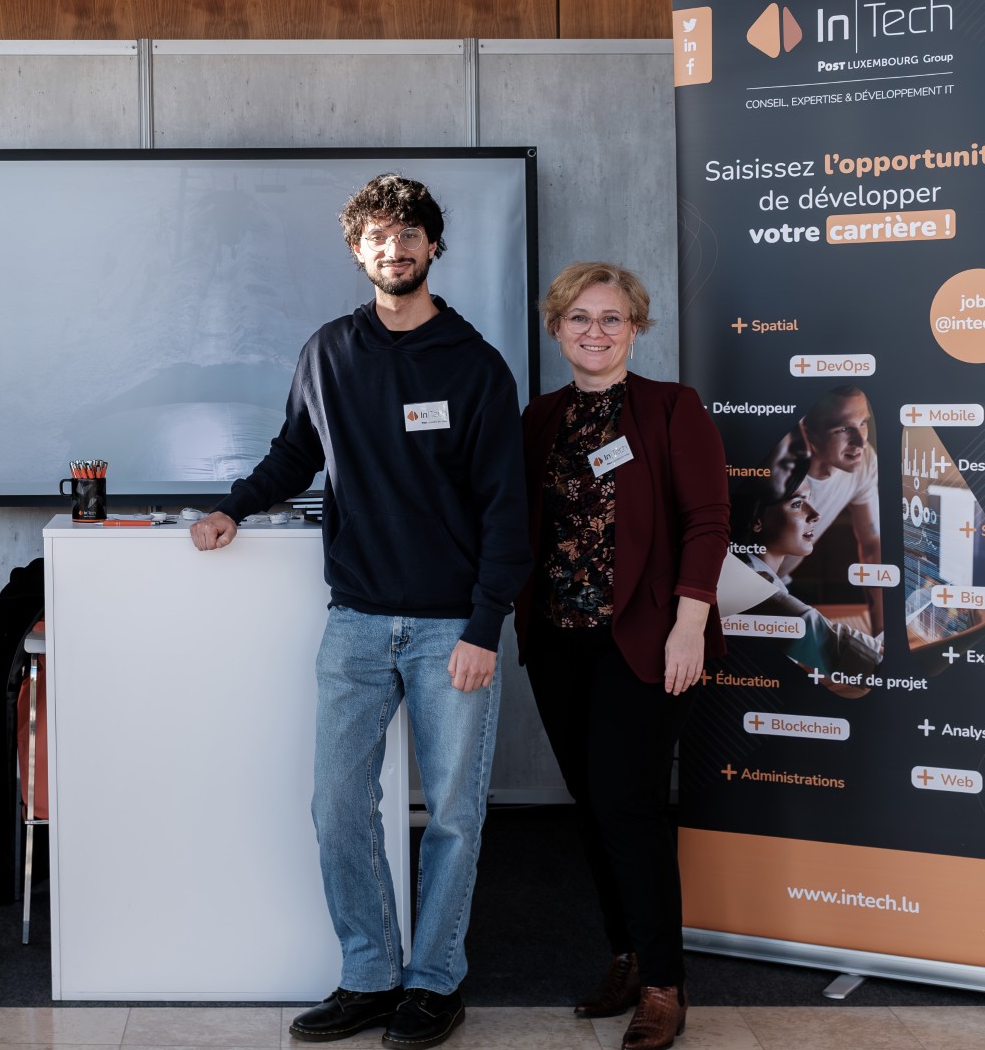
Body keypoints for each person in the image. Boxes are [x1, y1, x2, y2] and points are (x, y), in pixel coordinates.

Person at [190, 174, 531, 1049]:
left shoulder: (476, 365)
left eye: (410, 233)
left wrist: (485, 625)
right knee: (337, 806)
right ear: (357, 250)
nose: (396, 248)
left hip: (452, 627)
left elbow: (507, 508)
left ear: (433, 246)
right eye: (379, 235)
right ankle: (372, 975)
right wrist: (233, 506)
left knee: (452, 815)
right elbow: (294, 453)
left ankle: (435, 981)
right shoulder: (329, 352)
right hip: (355, 623)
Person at [514, 262, 728, 1050]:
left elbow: (708, 521)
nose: (595, 332)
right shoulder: (539, 418)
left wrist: (689, 624)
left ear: (635, 328)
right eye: (579, 318)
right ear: (556, 329)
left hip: (646, 640)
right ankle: (628, 955)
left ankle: (666, 984)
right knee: (593, 804)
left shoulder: (672, 408)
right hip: (557, 640)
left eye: (611, 318)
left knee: (628, 805)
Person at [729, 468, 883, 685]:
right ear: (757, 520)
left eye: (809, 500)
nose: (815, 514)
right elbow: (862, 660)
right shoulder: (753, 589)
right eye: (796, 504)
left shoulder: (748, 571)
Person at [786, 386, 883, 632]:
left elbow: (872, 545)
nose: (861, 441)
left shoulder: (865, 461)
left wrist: (882, 632)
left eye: (863, 423)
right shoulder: (781, 469)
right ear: (807, 432)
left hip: (780, 583)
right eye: (843, 429)